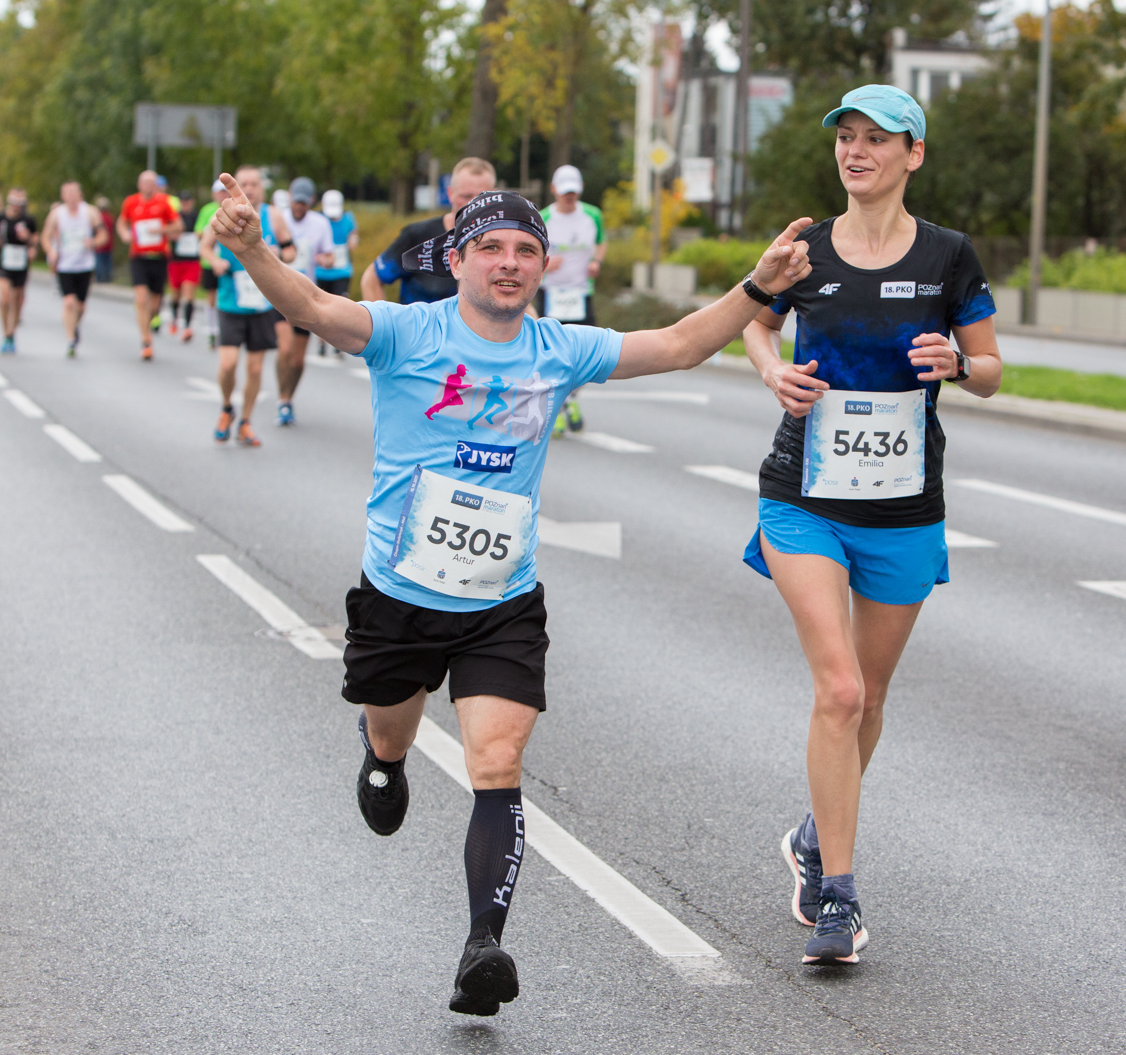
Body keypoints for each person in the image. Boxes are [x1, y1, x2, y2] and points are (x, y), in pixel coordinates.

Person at [209, 172, 810, 1016]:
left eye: (526, 250)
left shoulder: (559, 349)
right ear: (457, 260)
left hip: (501, 599)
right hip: (400, 592)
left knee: (497, 760)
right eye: (491, 247)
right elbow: (312, 305)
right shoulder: (406, 332)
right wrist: (248, 248)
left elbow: (675, 344)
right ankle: (384, 756)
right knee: (394, 731)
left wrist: (756, 287)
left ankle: (482, 946)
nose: (509, 262)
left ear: (542, 267)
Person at [740, 85, 1001, 968]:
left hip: (902, 503)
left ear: (913, 154)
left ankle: (817, 832)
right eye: (845, 139)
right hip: (803, 493)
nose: (856, 153)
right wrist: (773, 370)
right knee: (841, 690)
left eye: (876, 140)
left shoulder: (949, 255)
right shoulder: (805, 248)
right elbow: (756, 324)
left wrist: (960, 363)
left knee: (873, 696)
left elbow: (995, 367)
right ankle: (839, 899)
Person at [203, 165, 296, 446]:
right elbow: (204, 246)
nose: (250, 188)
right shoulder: (223, 213)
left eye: (255, 183)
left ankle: (245, 421)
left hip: (262, 302)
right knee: (228, 364)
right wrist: (214, 261)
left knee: (255, 370)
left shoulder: (273, 216)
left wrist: (282, 254)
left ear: (261, 188)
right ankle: (226, 407)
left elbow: (292, 250)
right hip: (231, 300)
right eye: (245, 182)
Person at [360, 157, 495, 304]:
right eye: (466, 196)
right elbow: (371, 280)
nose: (473, 204)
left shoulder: (503, 242)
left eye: (482, 197)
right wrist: (385, 325)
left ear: (495, 197)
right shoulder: (418, 236)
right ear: (450, 194)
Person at [538, 164, 605, 435]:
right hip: (551, 292)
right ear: (554, 190)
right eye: (565, 192)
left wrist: (597, 262)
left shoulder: (592, 215)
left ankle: (570, 399)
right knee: (552, 354)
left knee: (586, 352)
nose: (569, 197)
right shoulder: (543, 217)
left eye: (573, 192)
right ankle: (559, 409)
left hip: (580, 293)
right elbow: (531, 249)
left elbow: (601, 240)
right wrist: (545, 263)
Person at [273, 176, 335, 426]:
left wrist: (325, 261)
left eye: (303, 203)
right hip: (278, 292)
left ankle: (288, 398)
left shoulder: (320, 224)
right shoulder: (279, 219)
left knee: (298, 360)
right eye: (295, 201)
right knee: (285, 349)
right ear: (289, 197)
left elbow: (331, 257)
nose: (299, 207)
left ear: (311, 201)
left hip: (304, 295)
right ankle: (281, 398)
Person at [118, 170, 182, 360]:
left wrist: (161, 229)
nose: (148, 186)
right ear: (139, 185)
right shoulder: (131, 202)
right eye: (144, 182)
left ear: (155, 185)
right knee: (140, 298)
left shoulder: (164, 202)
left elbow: (177, 226)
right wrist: (124, 234)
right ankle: (146, 340)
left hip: (159, 256)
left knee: (154, 303)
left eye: (151, 182)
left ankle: (149, 319)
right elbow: (121, 222)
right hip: (138, 256)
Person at [42, 181, 109, 357]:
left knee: (81, 307)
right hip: (65, 265)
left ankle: (73, 325)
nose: (71, 196)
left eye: (74, 192)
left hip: (85, 264)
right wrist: (51, 251)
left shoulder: (90, 212)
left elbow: (103, 235)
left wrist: (93, 242)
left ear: (80, 194)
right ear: (63, 196)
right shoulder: (57, 214)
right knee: (69, 302)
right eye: (67, 193)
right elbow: (45, 237)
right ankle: (71, 340)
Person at [0, 189, 38, 354]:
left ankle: (11, 333)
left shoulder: (28, 220)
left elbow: (35, 241)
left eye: (20, 204)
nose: (17, 207)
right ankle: (5, 332)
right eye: (14, 203)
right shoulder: (0, 219)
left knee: (16, 300)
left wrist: (29, 240)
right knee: (4, 299)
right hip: (5, 261)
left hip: (21, 264)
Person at [314, 188, 359, 355]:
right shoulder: (318, 219)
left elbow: (353, 235)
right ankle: (321, 343)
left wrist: (353, 240)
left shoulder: (348, 218)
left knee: (341, 307)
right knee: (321, 309)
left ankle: (339, 343)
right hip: (321, 271)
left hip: (342, 270)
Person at [193, 180, 227, 347]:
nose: (222, 195)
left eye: (225, 192)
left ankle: (223, 329)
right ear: (214, 194)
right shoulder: (207, 210)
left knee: (225, 295)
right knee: (211, 297)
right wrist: (211, 234)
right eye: (219, 192)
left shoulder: (233, 208)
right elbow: (198, 232)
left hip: (228, 263)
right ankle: (212, 330)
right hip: (210, 262)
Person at [166, 189, 202, 341]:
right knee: (175, 293)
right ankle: (174, 317)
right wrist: (172, 236)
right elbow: (166, 233)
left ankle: (187, 327)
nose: (186, 204)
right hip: (176, 260)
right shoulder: (175, 218)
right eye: (183, 202)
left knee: (189, 294)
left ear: (192, 202)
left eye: (188, 201)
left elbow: (204, 230)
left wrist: (199, 235)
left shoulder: (197, 217)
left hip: (192, 260)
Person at [93, 196, 116, 282]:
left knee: (99, 261)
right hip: (109, 243)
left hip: (100, 244)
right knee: (108, 262)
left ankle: (99, 278)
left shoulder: (98, 217)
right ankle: (108, 278)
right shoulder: (110, 217)